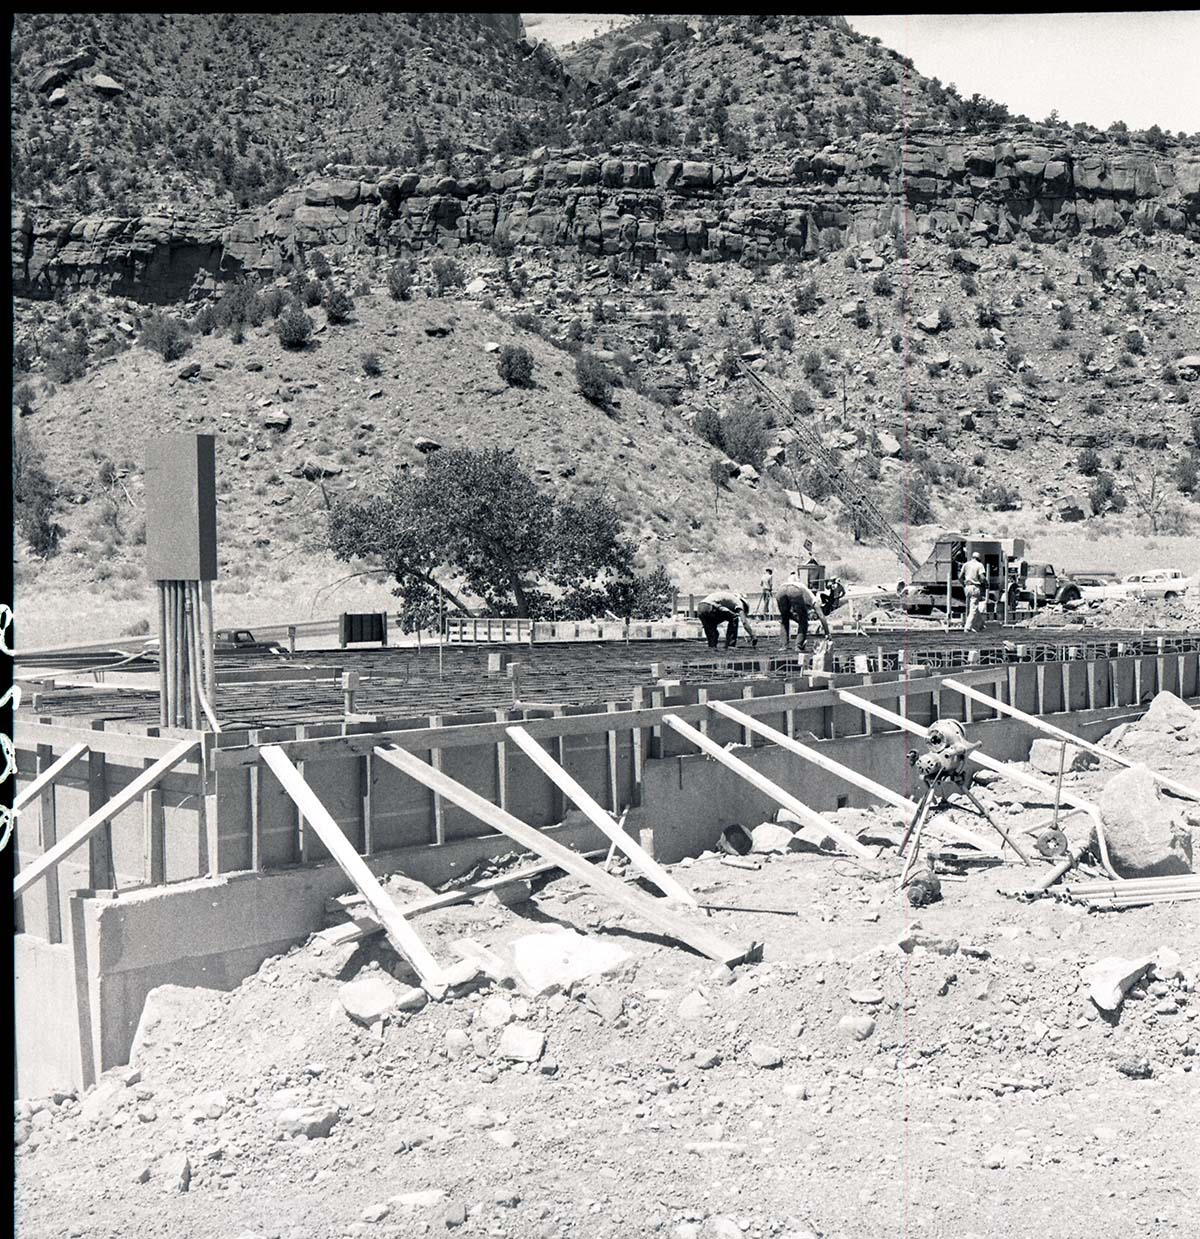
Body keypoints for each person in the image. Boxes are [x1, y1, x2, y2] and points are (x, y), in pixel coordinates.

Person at [776, 569, 832, 651]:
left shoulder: (802, 589)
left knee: (784, 619)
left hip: (780, 590)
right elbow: (821, 616)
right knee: (804, 620)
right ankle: (799, 645)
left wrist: (797, 620)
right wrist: (827, 633)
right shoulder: (813, 599)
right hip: (794, 590)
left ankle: (784, 646)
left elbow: (789, 614)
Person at [961, 551, 987, 631]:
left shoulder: (966, 564)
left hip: (967, 587)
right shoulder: (979, 565)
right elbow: (982, 577)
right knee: (974, 607)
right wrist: (986, 583)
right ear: (979, 558)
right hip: (975, 587)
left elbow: (960, 576)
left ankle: (981, 624)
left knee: (973, 606)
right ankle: (968, 627)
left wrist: (963, 584)